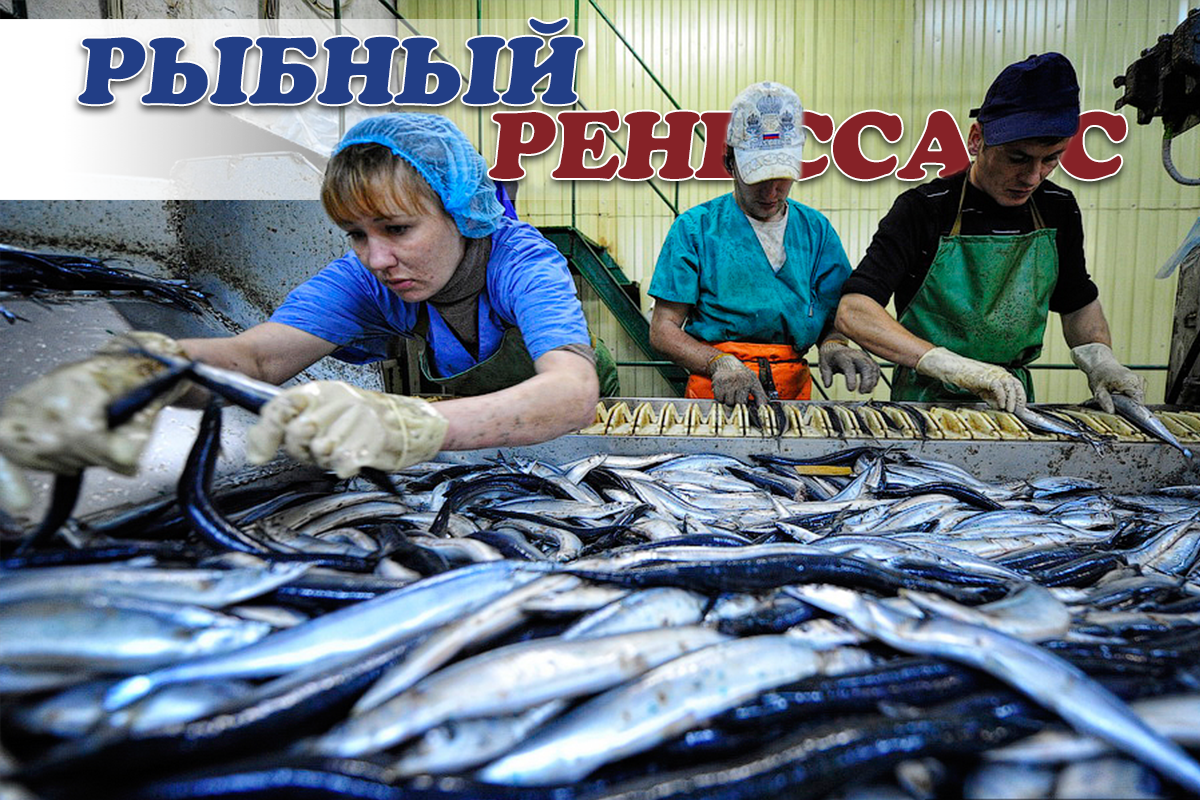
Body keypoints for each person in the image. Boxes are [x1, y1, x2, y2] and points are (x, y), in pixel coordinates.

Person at [0, 113, 605, 508]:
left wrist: (417, 426)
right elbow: (257, 357)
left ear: (461, 211)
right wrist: (143, 371)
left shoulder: (522, 262)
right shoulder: (369, 279)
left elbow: (572, 393)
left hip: (558, 451)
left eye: (396, 228)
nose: (376, 258)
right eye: (355, 234)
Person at [836, 53, 1144, 413]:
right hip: (925, 405)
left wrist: (1101, 360)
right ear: (977, 139)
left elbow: (1077, 303)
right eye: (1017, 158)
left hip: (1011, 402)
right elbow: (854, 311)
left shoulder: (1058, 208)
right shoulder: (924, 208)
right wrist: (955, 367)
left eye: (1051, 159)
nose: (1033, 176)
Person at [648, 81, 879, 410]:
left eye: (781, 177)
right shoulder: (695, 229)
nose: (772, 192)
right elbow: (663, 330)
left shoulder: (816, 231)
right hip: (717, 392)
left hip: (792, 395)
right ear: (731, 163)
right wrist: (719, 363)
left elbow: (833, 314)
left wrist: (834, 343)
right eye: (758, 178)